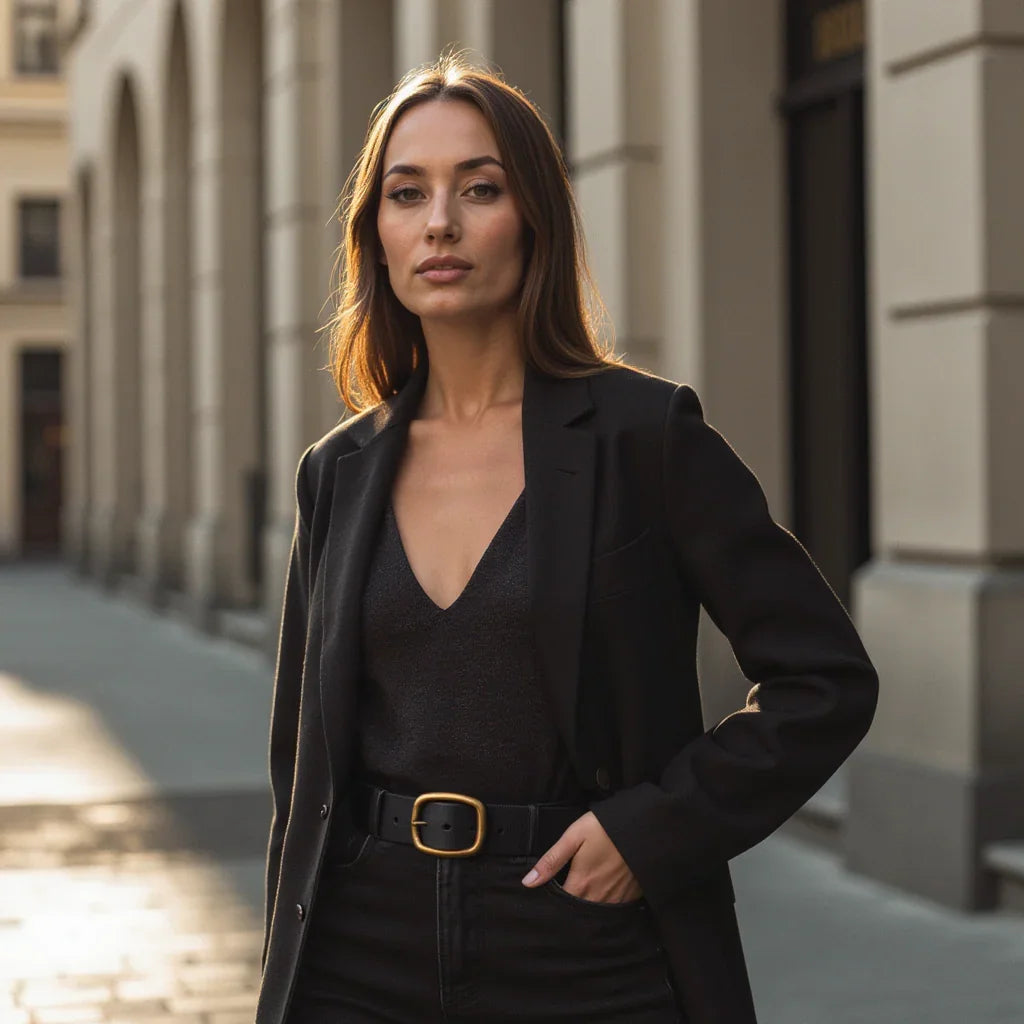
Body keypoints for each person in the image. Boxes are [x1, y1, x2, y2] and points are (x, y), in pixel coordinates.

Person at [256, 52, 879, 1024]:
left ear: (533, 217)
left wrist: (656, 829)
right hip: (360, 947)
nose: (440, 223)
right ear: (374, 234)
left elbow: (824, 679)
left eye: (481, 188)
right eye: (406, 192)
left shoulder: (644, 436)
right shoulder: (336, 472)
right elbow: (302, 767)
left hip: (581, 944)